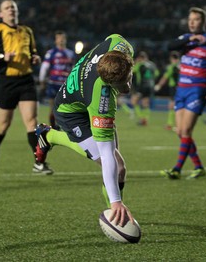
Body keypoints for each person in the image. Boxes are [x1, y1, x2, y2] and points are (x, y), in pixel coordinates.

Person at [34, 34, 136, 226]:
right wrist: (116, 201)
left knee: (119, 169)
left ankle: (115, 212)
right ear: (109, 84)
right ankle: (49, 136)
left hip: (81, 97)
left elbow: (110, 37)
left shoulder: (121, 44)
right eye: (122, 84)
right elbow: (107, 155)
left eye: (129, 76)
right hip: (70, 113)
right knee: (115, 164)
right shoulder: (102, 99)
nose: (128, 85)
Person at [0, 0, 52, 175]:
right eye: (7, 7)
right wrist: (1, 57)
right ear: (1, 14)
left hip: (26, 80)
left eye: (13, 6)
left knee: (31, 122)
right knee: (3, 124)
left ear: (17, 11)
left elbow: (33, 51)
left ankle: (39, 163)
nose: (11, 9)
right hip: (6, 81)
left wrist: (36, 58)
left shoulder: (27, 31)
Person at [163, 7, 206, 179]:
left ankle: (177, 169)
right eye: (190, 19)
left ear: (203, 22)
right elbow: (170, 46)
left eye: (195, 19)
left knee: (185, 130)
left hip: (197, 90)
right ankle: (199, 166)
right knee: (180, 132)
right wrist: (190, 38)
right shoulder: (185, 39)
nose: (191, 22)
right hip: (181, 90)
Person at [38, 31, 75, 129]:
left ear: (66, 40)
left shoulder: (70, 53)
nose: (61, 40)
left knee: (67, 108)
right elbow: (44, 67)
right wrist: (42, 80)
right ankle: (54, 127)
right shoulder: (51, 53)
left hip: (66, 84)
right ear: (55, 40)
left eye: (63, 38)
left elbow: (74, 69)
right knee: (53, 107)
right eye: (59, 38)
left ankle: (66, 127)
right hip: (53, 83)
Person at [131, 51, 158, 126]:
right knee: (145, 103)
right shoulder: (152, 64)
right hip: (151, 85)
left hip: (142, 85)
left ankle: (141, 118)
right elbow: (156, 74)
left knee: (134, 101)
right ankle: (145, 119)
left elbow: (133, 71)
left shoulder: (139, 64)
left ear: (140, 58)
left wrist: (135, 63)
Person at [154, 51, 180, 130]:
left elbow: (165, 78)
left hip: (174, 88)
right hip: (183, 87)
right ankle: (175, 125)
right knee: (179, 106)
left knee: (172, 106)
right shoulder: (182, 66)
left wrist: (159, 85)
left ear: (171, 58)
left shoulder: (171, 67)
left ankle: (172, 125)